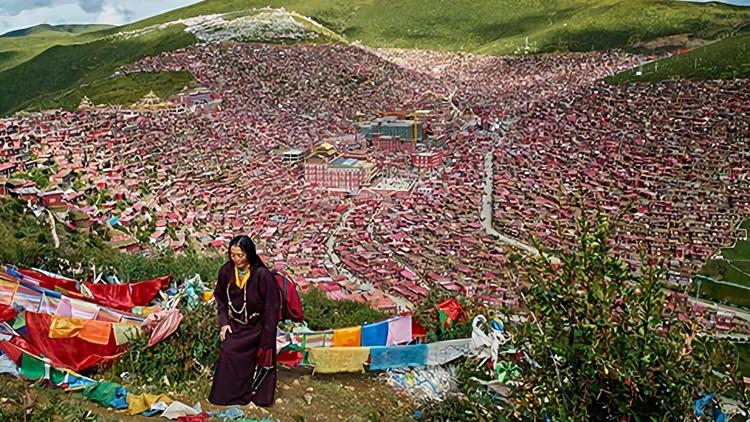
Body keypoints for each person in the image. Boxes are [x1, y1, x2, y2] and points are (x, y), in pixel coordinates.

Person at [209, 235, 279, 407]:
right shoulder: (226, 270)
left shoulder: (262, 275)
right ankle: (226, 396)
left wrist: (268, 339)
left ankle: (255, 394)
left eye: (240, 255)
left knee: (262, 357)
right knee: (228, 349)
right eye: (233, 255)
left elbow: (271, 307)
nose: (236, 259)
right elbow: (220, 297)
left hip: (258, 326)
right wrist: (224, 322)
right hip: (236, 323)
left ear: (249, 254)